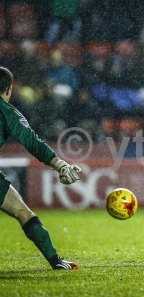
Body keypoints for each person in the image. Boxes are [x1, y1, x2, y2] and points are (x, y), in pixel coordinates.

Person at [0, 66, 81, 270]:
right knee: (23, 212)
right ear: (8, 89)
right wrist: (59, 164)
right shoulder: (7, 111)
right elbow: (33, 142)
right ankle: (56, 261)